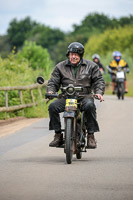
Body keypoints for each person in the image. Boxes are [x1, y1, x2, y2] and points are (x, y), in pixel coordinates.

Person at [47, 42, 105, 149]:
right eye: (71, 54)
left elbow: (99, 81)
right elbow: (53, 81)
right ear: (68, 54)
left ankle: (91, 135)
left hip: (84, 96)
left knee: (90, 106)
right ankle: (58, 135)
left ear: (81, 55)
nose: (73, 56)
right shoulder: (60, 67)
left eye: (76, 55)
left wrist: (99, 92)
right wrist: (51, 91)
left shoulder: (92, 66)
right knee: (52, 107)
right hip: (66, 96)